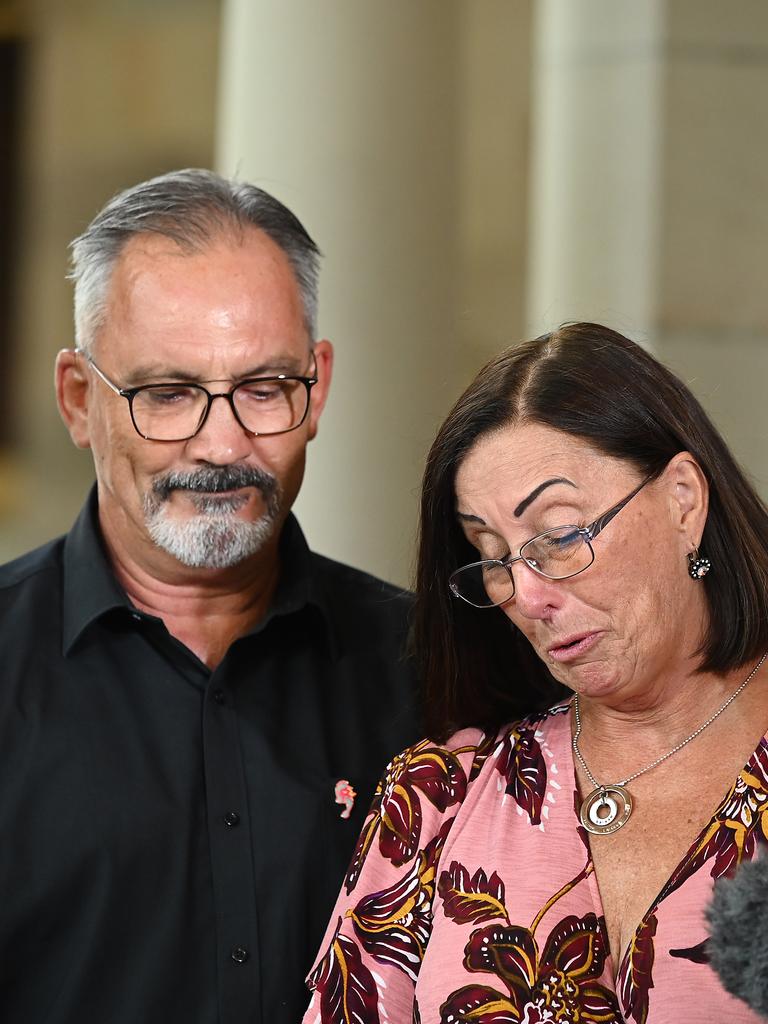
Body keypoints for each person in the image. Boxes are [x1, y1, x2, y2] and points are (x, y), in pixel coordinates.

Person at [0, 169, 418, 1024]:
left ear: (318, 389)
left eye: (264, 388)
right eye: (168, 393)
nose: (221, 442)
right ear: (80, 399)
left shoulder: (429, 671)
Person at [303, 322, 768, 1023]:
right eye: (492, 556)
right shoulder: (439, 804)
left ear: (682, 501)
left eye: (558, 535)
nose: (524, 596)